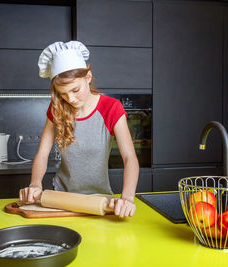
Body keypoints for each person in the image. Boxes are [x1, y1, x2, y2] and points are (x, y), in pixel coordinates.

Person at [19, 41, 139, 218]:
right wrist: (35, 183)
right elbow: (43, 154)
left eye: (75, 90)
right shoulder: (56, 109)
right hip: (61, 199)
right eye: (63, 94)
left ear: (88, 77)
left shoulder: (111, 108)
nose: (71, 99)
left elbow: (129, 157)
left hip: (99, 200)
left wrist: (127, 198)